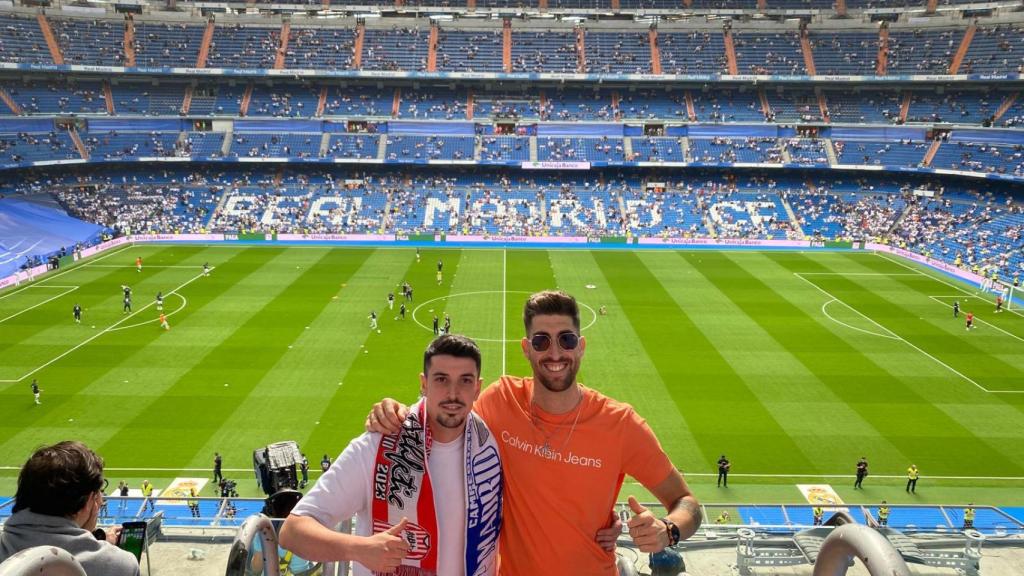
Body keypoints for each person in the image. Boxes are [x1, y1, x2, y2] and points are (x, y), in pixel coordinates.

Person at [368, 290, 702, 575]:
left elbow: (687, 503)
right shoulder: (500, 401)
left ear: (581, 346)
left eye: (566, 340)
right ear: (527, 349)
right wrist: (398, 412)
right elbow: (446, 414)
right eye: (542, 341)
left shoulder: (621, 424)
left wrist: (667, 530)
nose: (555, 353)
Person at [280, 334, 503, 576]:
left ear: (478, 388)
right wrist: (358, 548)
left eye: (465, 381)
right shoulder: (377, 446)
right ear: (424, 384)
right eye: (441, 379)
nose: (453, 393)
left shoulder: (492, 443)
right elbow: (293, 531)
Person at [0, 441, 140, 576]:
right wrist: (105, 552)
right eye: (99, 493)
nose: (101, 501)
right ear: (89, 501)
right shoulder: (120, 566)